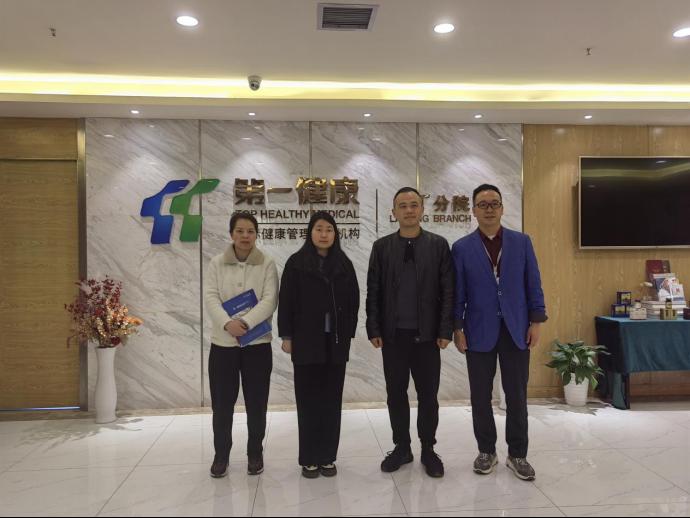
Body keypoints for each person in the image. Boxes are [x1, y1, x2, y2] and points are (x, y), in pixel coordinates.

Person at [451, 184, 547, 481]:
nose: (489, 209)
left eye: (494, 203)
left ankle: (518, 454)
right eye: (483, 204)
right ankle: (486, 451)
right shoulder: (462, 248)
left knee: (517, 395)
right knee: (480, 396)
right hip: (478, 329)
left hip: (516, 329)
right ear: (474, 210)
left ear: (503, 208)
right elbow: (457, 292)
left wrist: (536, 321)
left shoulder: (521, 242)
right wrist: (457, 327)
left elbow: (533, 283)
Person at [366, 187, 454, 478]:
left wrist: (445, 329)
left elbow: (448, 290)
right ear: (393, 212)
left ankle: (428, 449)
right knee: (395, 394)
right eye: (402, 206)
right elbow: (374, 290)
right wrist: (373, 327)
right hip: (393, 336)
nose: (408, 210)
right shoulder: (382, 247)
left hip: (427, 336)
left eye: (414, 205)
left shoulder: (438, 245)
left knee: (428, 395)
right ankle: (402, 447)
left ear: (422, 210)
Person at [278, 211, 360, 479]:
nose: (324, 234)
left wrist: (348, 332)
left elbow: (354, 301)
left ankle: (327, 457)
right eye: (319, 229)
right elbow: (286, 301)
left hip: (335, 343)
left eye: (329, 230)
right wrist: (287, 336)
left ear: (335, 234)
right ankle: (309, 458)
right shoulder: (296, 263)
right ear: (310, 232)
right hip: (306, 341)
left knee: (331, 401)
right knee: (308, 401)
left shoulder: (344, 264)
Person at [204, 212, 279, 478]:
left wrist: (245, 323)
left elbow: (270, 299)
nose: (245, 236)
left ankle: (255, 452)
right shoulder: (216, 263)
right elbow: (210, 297)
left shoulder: (267, 262)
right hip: (223, 345)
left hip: (257, 344)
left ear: (256, 234)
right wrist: (227, 324)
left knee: (257, 403)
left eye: (250, 231)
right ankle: (221, 455)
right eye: (240, 231)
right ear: (231, 234)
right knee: (222, 405)